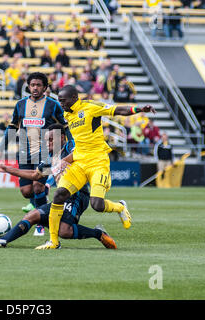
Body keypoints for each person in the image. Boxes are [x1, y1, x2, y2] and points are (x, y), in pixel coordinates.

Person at [35, 85, 156, 249]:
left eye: (63, 101)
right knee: (59, 195)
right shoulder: (66, 114)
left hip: (98, 161)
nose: (61, 104)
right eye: (59, 101)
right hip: (79, 162)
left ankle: (119, 207)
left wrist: (139, 109)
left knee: (97, 205)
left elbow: (118, 110)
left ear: (74, 98)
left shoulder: (91, 107)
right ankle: (53, 242)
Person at [0, 123, 117, 249]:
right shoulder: (49, 157)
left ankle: (98, 234)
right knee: (32, 215)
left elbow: (79, 150)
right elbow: (36, 175)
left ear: (61, 137)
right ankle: (3, 240)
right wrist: (7, 169)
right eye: (46, 140)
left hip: (77, 196)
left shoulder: (70, 147)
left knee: (64, 231)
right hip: (61, 198)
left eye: (50, 139)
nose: (47, 143)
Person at [0, 72, 72, 235]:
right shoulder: (20, 104)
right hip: (24, 152)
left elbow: (65, 127)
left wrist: (72, 145)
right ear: (28, 86)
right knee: (26, 192)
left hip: (45, 153)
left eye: (39, 85)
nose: (35, 88)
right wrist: (0, 150)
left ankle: (41, 223)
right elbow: (12, 128)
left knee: (37, 187)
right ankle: (42, 201)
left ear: (45, 88)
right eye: (32, 85)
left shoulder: (53, 105)